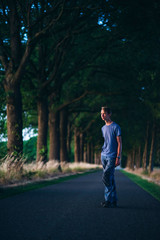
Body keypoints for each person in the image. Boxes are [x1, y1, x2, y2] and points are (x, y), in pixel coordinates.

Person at [100, 106, 122, 208]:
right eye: (101, 113)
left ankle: (107, 200)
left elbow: (119, 143)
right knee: (110, 178)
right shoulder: (103, 128)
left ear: (109, 114)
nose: (102, 115)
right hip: (103, 155)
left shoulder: (116, 127)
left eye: (104, 113)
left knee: (106, 177)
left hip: (112, 156)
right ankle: (114, 200)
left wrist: (118, 157)